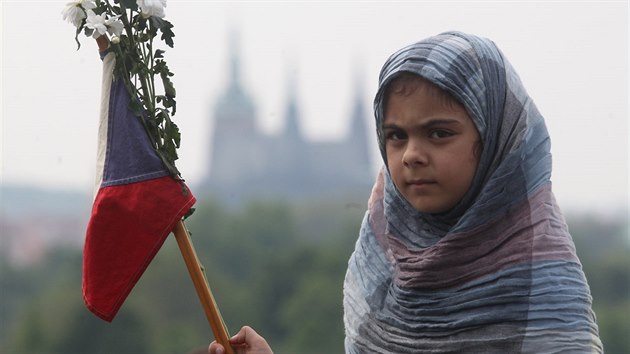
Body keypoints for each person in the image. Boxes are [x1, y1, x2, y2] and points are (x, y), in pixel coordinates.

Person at [209, 31, 603, 354]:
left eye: (438, 133)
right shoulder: (381, 262)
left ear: (498, 138)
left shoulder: (544, 296)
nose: (412, 155)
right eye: (396, 136)